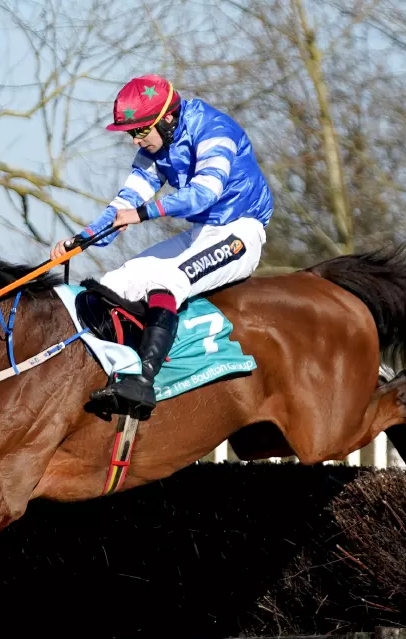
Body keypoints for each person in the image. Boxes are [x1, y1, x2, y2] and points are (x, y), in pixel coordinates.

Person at [53, 74, 274, 421]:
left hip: (240, 233)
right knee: (117, 282)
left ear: (167, 118)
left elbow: (205, 193)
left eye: (140, 131)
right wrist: (83, 239)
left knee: (168, 281)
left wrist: (142, 214)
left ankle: (144, 381)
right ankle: (106, 368)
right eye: (131, 133)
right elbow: (126, 201)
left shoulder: (215, 130)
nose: (135, 141)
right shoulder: (152, 148)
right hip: (202, 232)